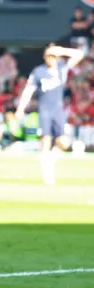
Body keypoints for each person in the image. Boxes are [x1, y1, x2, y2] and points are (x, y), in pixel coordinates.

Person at [15, 44, 84, 185]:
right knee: (45, 141)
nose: (51, 59)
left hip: (58, 110)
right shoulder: (38, 71)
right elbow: (28, 90)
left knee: (65, 141)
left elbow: (79, 54)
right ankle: (47, 174)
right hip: (45, 109)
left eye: (53, 56)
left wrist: (62, 50)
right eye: (49, 56)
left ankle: (50, 159)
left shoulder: (62, 68)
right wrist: (20, 108)